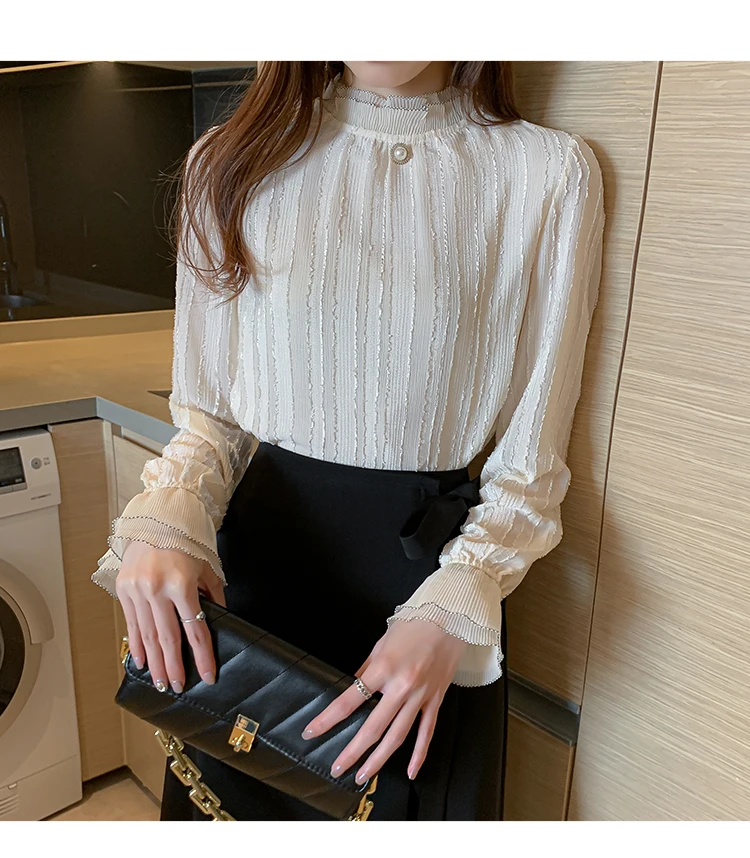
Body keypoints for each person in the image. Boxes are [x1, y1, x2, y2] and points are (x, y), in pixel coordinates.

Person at [91, 60, 605, 821]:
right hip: (254, 590)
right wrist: (166, 519)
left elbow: (529, 463)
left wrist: (455, 607)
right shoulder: (226, 163)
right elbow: (212, 420)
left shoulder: (546, 174)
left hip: (425, 603)